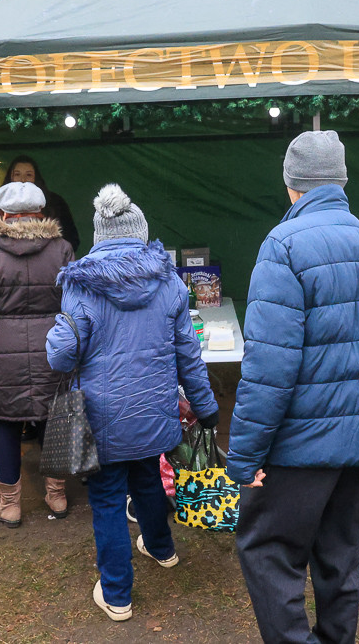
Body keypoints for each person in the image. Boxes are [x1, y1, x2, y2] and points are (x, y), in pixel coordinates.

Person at [228, 130, 359, 644]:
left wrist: (245, 457)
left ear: (291, 184)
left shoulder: (282, 246)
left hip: (299, 447)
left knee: (268, 552)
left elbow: (268, 366)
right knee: (339, 558)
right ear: (342, 181)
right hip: (355, 443)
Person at [46, 183, 218, 622]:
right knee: (145, 481)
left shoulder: (80, 285)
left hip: (103, 419)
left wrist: (58, 327)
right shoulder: (169, 285)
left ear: (99, 235)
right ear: (141, 233)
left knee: (107, 501)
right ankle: (161, 549)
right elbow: (188, 356)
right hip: (154, 413)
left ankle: (118, 595)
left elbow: (60, 355)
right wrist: (206, 405)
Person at [0, 181, 74, 527]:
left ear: (4, 213)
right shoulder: (63, 249)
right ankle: (56, 496)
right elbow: (75, 299)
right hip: (52, 346)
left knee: (7, 426)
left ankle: (10, 506)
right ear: (41, 212)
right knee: (52, 420)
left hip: (2, 347)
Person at [0, 155, 81, 253]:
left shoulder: (55, 202)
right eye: (17, 174)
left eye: (28, 175)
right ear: (10, 177)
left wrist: (51, 256)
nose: (23, 180)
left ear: (36, 178)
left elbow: (71, 240)